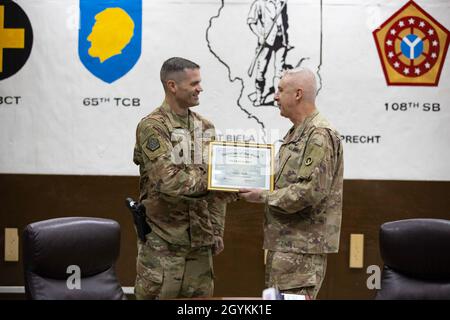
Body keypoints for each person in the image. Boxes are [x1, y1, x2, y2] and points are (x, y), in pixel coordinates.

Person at [239, 68, 343, 299]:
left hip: (300, 252)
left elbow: (310, 192)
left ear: (297, 94)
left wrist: (263, 195)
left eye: (280, 90)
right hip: (286, 246)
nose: (275, 96)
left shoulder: (318, 135)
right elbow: (285, 181)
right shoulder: (297, 132)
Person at [132, 57, 228, 299]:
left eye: (200, 82)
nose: (200, 88)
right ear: (172, 86)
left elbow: (216, 193)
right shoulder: (153, 127)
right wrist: (213, 178)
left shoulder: (205, 127)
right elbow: (168, 181)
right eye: (194, 83)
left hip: (200, 243)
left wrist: (216, 230)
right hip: (163, 243)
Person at [247, 0, 292, 106]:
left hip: (281, 40)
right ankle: (259, 97)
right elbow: (251, 21)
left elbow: (285, 22)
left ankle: (277, 98)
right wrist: (260, 35)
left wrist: (286, 39)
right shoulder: (259, 3)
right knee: (261, 70)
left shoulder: (282, 2)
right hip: (266, 41)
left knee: (279, 71)